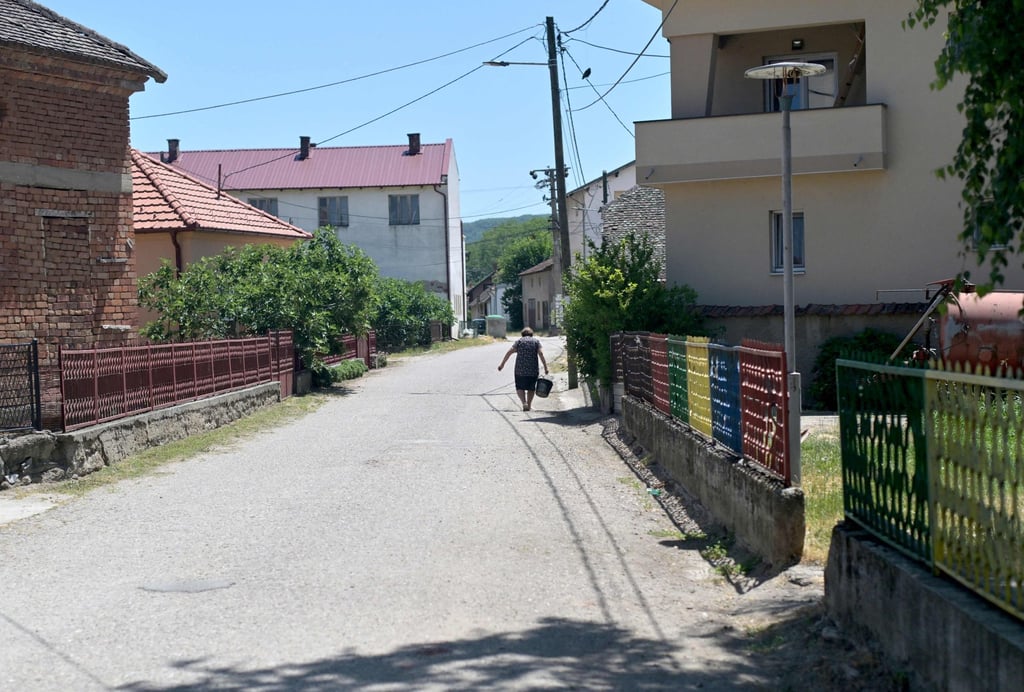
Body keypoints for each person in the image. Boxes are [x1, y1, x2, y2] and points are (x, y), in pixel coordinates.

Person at [498, 327, 548, 411]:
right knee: (531, 388)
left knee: (520, 387)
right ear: (531, 334)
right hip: (533, 369)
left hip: (520, 369)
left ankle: (524, 403)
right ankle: (529, 405)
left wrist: (502, 364)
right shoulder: (536, 342)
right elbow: (541, 353)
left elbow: (509, 352)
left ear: (522, 334)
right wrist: (545, 367)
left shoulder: (519, 342)